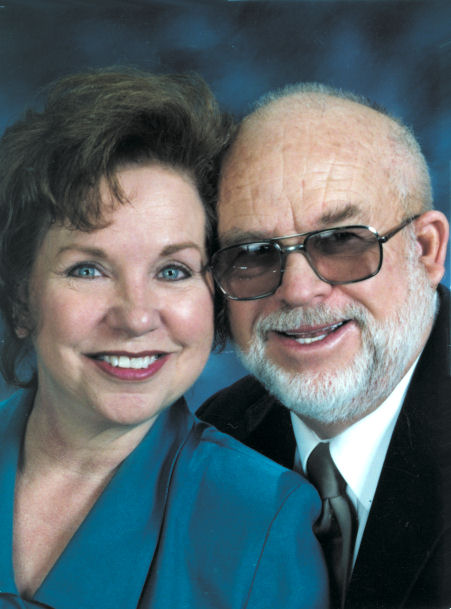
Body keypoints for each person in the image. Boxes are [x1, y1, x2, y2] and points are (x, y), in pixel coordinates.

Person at [0, 70, 329, 609]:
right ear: (20, 300)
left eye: (173, 271)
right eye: (87, 269)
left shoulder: (264, 526)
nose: (135, 317)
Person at [199, 83, 451, 609]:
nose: (297, 290)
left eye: (340, 240)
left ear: (426, 250)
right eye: (255, 251)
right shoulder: (218, 437)